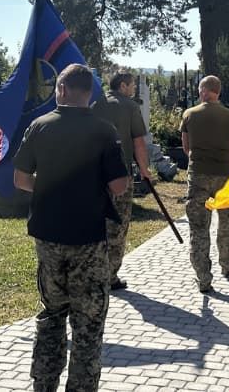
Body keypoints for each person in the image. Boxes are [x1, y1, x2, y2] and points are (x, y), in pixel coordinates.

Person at [14, 63, 129, 392]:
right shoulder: (104, 131)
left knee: (52, 316)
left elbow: (21, 179)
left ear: (60, 90)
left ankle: (43, 384)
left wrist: (51, 186)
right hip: (88, 240)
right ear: (90, 93)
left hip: (48, 238)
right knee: (88, 324)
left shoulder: (39, 126)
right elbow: (119, 185)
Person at [180, 75, 229, 293]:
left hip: (197, 176)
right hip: (224, 177)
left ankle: (203, 278)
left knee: (198, 227)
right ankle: (228, 264)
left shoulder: (189, 115)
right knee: (226, 221)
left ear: (203, 90)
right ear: (218, 91)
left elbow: (186, 149)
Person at [91, 71, 151, 291]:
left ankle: (94, 270)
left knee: (97, 221)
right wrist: (145, 170)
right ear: (123, 86)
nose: (134, 88)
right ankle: (110, 275)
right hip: (120, 172)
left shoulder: (96, 104)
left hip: (95, 172)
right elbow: (138, 143)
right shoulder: (130, 107)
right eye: (132, 85)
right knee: (118, 223)